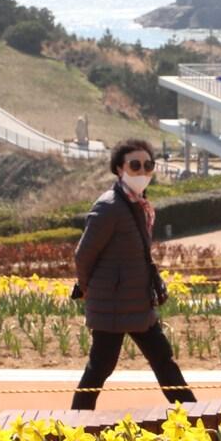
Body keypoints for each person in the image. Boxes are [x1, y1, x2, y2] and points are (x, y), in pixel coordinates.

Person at [71, 139, 196, 411]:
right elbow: (83, 255)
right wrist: (87, 288)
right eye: (135, 165)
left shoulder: (139, 204)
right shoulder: (109, 206)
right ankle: (74, 429)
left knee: (163, 360)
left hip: (137, 302)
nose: (142, 171)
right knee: (99, 369)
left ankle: (195, 419)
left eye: (148, 165)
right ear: (119, 168)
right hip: (111, 306)